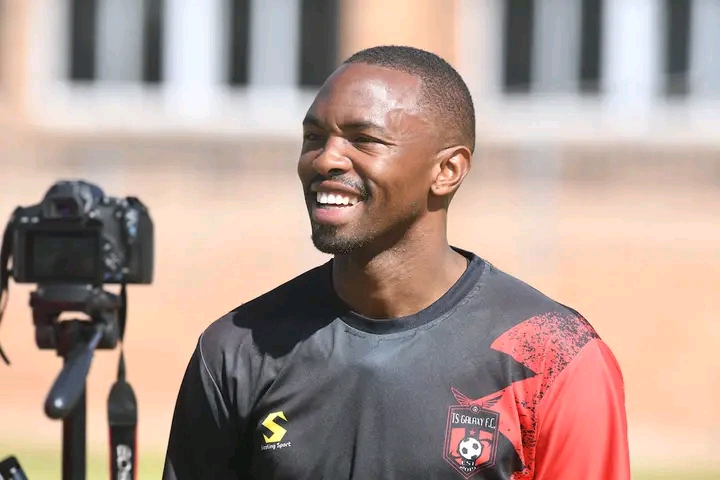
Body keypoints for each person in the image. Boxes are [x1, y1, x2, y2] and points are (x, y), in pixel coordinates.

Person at [162, 45, 631, 480]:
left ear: (447, 170)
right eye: (314, 137)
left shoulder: (555, 356)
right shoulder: (238, 349)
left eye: (364, 140)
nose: (325, 160)